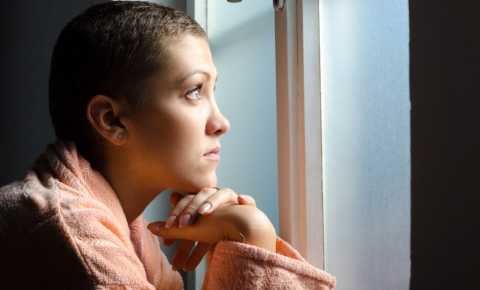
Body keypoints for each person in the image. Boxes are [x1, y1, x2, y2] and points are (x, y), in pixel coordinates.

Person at [0, 1, 336, 289]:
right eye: (193, 92)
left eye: (211, 90)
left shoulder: (122, 226)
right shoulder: (72, 236)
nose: (221, 123)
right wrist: (251, 231)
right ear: (111, 120)